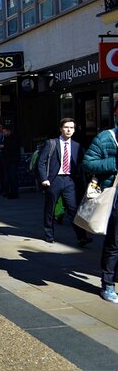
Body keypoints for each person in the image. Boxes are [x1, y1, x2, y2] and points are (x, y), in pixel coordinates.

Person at [82, 104, 118, 303]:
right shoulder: (106, 138)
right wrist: (114, 163)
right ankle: (108, 285)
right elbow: (88, 163)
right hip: (113, 197)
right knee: (114, 242)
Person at [37, 118, 92, 246]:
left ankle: (81, 237)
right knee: (50, 209)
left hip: (69, 181)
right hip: (54, 180)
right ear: (61, 129)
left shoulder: (77, 146)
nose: (69, 130)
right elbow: (41, 163)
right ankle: (49, 235)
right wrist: (44, 179)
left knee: (73, 209)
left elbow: (81, 165)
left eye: (72, 128)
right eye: (66, 127)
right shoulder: (51, 143)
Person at [1, 126, 21, 199]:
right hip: (7, 160)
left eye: (4, 132)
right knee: (7, 177)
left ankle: (14, 193)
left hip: (12, 160)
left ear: (8, 131)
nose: (4, 133)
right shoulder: (6, 138)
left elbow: (12, 148)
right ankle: (8, 192)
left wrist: (3, 147)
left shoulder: (14, 138)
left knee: (13, 177)